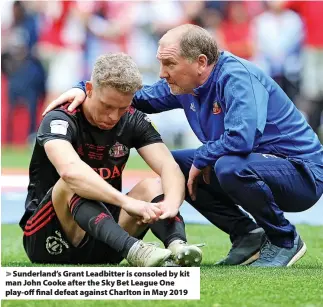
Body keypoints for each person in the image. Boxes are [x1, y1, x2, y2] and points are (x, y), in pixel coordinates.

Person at [44, 24, 323, 267]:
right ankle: (247, 235)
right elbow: (133, 97)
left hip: (302, 173)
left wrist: (202, 157)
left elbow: (241, 139)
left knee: (226, 164)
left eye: (169, 64)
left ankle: (285, 240)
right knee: (175, 166)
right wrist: (84, 88)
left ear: (201, 62)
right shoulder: (185, 84)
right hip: (255, 163)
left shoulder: (236, 78)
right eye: (161, 63)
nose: (162, 73)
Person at [20, 52, 202, 267]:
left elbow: (168, 167)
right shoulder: (60, 118)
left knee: (152, 186)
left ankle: (178, 247)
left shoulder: (133, 119)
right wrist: (127, 202)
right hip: (50, 239)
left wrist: (171, 204)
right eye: (107, 106)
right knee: (72, 182)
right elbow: (70, 172)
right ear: (89, 90)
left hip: (107, 237)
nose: (114, 116)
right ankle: (136, 251)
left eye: (122, 108)